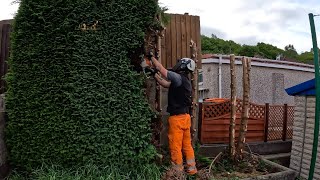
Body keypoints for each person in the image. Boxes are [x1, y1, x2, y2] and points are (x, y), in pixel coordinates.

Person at [149, 54, 197, 175]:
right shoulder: (185, 81)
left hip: (177, 119)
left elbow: (161, 69)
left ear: (183, 65)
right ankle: (192, 170)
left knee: (175, 145)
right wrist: (154, 74)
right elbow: (165, 84)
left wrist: (151, 57)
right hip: (186, 118)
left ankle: (177, 172)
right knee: (187, 145)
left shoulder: (178, 77)